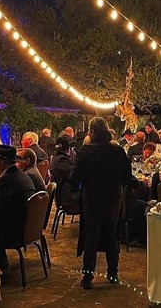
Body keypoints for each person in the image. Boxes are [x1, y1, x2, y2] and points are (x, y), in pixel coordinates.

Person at [69, 117, 132, 289]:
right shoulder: (118, 151)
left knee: (91, 236)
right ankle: (113, 273)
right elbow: (127, 176)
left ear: (91, 131)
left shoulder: (85, 152)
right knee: (112, 235)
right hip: (113, 198)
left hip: (92, 198)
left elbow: (74, 179)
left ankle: (88, 277)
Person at [0, 145, 36, 269]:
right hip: (26, 227)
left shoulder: (6, 180)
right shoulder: (23, 176)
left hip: (14, 233)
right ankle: (0, 260)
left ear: (1, 163)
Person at [49, 136, 78, 210]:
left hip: (62, 196)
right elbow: (74, 176)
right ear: (68, 149)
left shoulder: (55, 159)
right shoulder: (63, 160)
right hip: (68, 199)